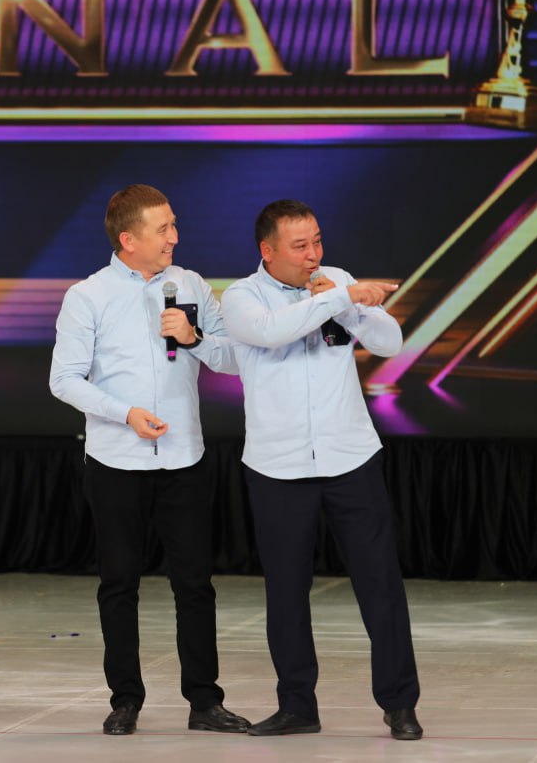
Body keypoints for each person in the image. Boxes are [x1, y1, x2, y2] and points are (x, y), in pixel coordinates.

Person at [49, 184, 250, 736]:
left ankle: (205, 700)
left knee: (195, 584)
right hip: (116, 459)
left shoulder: (190, 285)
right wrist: (125, 414)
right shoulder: (87, 296)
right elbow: (63, 379)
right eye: (163, 229)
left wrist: (194, 336)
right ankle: (125, 698)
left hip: (184, 457)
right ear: (128, 238)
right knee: (119, 584)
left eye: (174, 225)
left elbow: (233, 359)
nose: (174, 238)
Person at [220, 199, 423, 741]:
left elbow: (390, 341)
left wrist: (348, 305)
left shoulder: (337, 281)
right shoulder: (242, 297)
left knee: (380, 583)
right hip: (278, 464)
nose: (313, 254)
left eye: (317, 241)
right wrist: (338, 297)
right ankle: (296, 706)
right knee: (286, 591)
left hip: (349, 456)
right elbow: (271, 332)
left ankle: (400, 703)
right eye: (300, 245)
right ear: (267, 250)